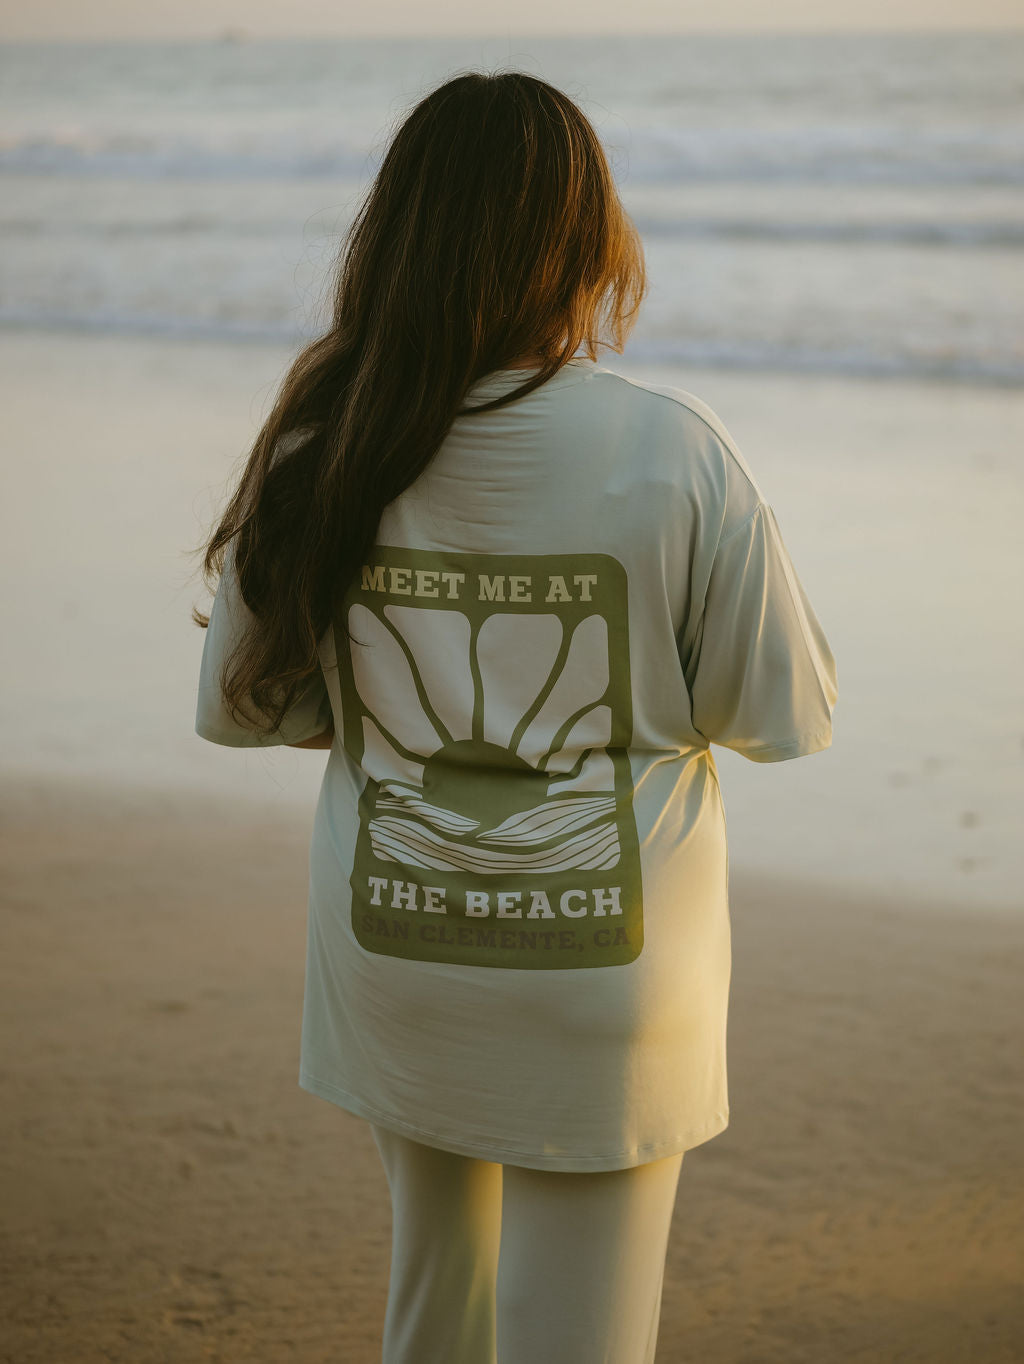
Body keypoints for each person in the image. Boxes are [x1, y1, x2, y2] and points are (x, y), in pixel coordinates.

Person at [192, 70, 838, 1364]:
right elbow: (783, 715)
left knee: (437, 1311)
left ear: (395, 235)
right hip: (605, 968)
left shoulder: (328, 440)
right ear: (590, 239)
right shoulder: (672, 450)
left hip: (397, 940)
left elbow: (252, 710)